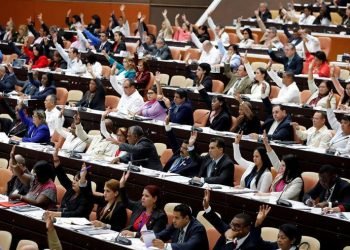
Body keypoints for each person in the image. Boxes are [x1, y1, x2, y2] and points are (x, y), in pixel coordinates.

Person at [202, 188, 270, 249]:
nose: (233, 228)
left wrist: (229, 240)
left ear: (248, 228)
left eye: (237, 226)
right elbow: (216, 221)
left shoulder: (252, 243)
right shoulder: (228, 230)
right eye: (232, 224)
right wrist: (207, 207)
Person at [45, 151, 93, 219]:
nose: (73, 182)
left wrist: (58, 214)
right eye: (73, 179)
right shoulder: (71, 189)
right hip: (61, 220)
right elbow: (63, 178)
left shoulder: (87, 197)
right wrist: (57, 163)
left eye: (76, 180)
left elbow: (77, 214)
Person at [119, 171, 167, 237]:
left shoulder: (160, 216)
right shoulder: (139, 206)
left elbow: (153, 234)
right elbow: (126, 202)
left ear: (155, 199)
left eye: (146, 196)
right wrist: (122, 185)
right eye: (143, 195)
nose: (143, 198)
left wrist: (134, 234)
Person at [258, 132, 304, 201]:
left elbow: (286, 195)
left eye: (284, 165)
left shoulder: (297, 181)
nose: (281, 167)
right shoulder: (282, 174)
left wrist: (268, 194)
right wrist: (266, 144)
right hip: (272, 201)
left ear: (290, 167)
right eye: (281, 165)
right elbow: (274, 159)